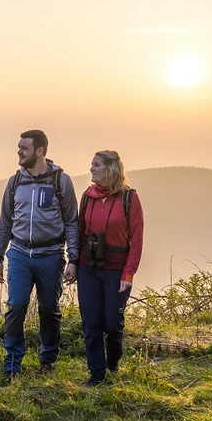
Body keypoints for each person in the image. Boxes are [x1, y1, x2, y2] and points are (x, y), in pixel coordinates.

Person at [0, 130, 79, 382]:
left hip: (51, 254)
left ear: (40, 151)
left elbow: (72, 222)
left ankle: (48, 361)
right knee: (16, 307)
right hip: (19, 252)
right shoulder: (15, 182)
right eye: (19, 147)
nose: (19, 152)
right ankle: (12, 366)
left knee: (48, 309)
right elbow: (5, 221)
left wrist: (73, 258)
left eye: (25, 148)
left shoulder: (60, 181)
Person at [77, 150, 145, 386]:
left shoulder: (129, 198)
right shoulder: (87, 196)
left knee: (112, 324)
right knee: (91, 322)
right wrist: (73, 264)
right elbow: (79, 233)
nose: (91, 169)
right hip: (88, 268)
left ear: (110, 169)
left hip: (117, 271)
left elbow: (137, 239)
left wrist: (129, 273)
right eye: (91, 165)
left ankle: (113, 363)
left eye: (96, 165)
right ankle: (96, 374)